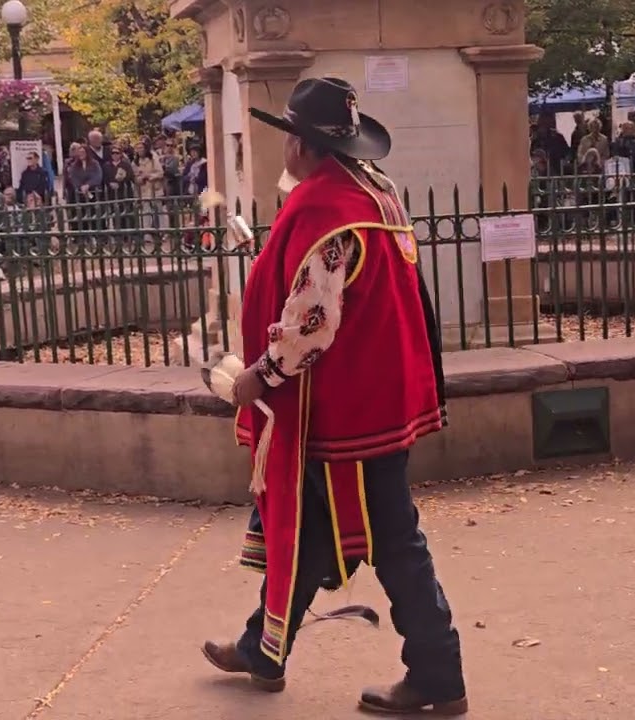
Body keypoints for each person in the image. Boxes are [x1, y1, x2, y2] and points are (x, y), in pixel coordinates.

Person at [201, 77, 465, 716]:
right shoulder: (374, 189)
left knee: (393, 540)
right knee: (310, 529)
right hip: (374, 394)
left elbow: (311, 323)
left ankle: (438, 672)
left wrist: (254, 379)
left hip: (345, 410)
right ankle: (262, 648)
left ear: (300, 143)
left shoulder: (327, 213)